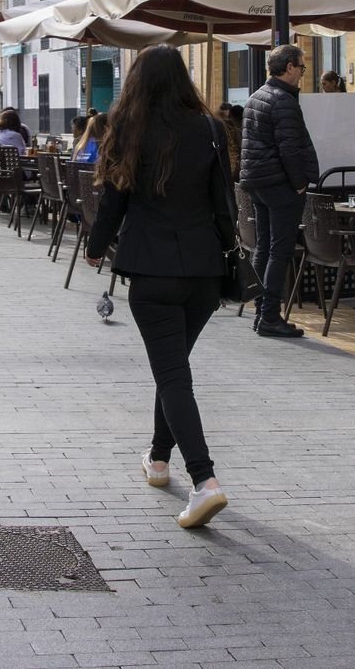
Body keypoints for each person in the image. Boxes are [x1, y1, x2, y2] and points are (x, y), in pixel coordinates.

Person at [85, 44, 233, 530]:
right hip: (206, 273)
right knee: (174, 369)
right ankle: (157, 458)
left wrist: (96, 244)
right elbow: (223, 202)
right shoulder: (211, 129)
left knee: (172, 376)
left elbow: (113, 199)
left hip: (152, 272)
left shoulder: (127, 127)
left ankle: (205, 481)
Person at [240, 44, 318, 339]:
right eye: (301, 67)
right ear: (288, 67)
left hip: (258, 184)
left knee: (263, 248)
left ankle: (261, 313)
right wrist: (299, 182)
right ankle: (270, 316)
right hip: (280, 183)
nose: (302, 73)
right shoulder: (283, 100)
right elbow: (289, 147)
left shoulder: (256, 97)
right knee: (279, 250)